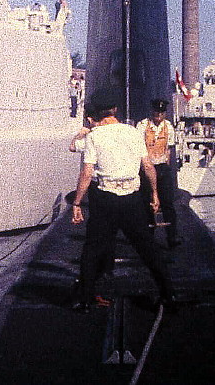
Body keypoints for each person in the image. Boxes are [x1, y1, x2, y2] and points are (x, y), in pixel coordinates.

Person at [71, 93, 174, 311]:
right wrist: (155, 194)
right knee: (147, 247)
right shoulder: (134, 132)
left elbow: (87, 173)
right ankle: (168, 294)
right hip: (132, 199)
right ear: (115, 110)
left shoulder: (94, 137)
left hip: (106, 198)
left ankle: (85, 299)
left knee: (93, 249)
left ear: (96, 113)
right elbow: (147, 166)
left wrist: (77, 203)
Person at [137, 98, 181, 247]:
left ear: (164, 113)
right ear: (152, 111)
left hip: (162, 167)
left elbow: (168, 150)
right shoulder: (142, 125)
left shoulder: (168, 127)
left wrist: (166, 170)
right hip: (146, 168)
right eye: (156, 112)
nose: (158, 115)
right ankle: (147, 236)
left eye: (161, 113)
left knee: (167, 202)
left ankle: (172, 236)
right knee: (145, 203)